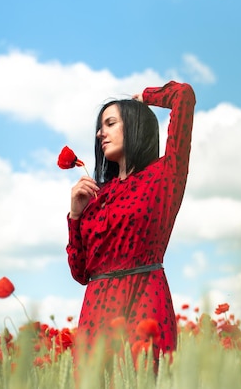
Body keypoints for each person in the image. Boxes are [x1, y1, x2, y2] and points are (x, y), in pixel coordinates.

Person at [65, 80, 196, 367]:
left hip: (145, 300)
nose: (101, 133)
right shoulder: (99, 196)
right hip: (95, 311)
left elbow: (183, 95)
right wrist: (75, 216)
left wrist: (146, 97)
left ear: (135, 126)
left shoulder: (164, 176)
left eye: (110, 123)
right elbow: (80, 273)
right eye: (100, 127)